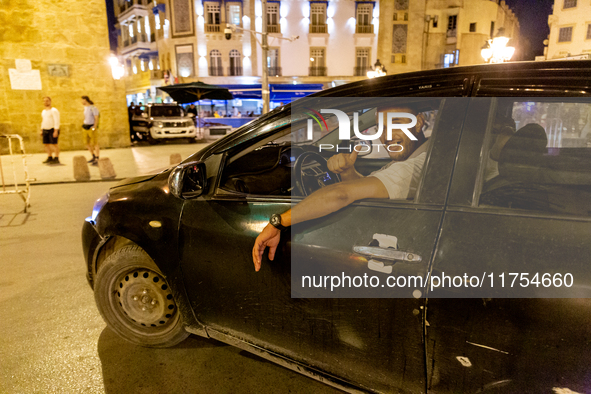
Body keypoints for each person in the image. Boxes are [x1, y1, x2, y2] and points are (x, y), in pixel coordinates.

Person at [252, 105, 427, 271]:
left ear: (419, 122)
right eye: (381, 127)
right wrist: (347, 171)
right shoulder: (414, 158)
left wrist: (278, 222)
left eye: (396, 123)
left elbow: (341, 194)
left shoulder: (412, 167)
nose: (387, 136)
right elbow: (367, 192)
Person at [40, 96, 61, 165]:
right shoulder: (43, 111)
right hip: (45, 129)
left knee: (54, 144)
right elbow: (43, 121)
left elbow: (56, 120)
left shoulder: (54, 110)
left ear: (50, 101)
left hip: (52, 129)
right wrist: (41, 129)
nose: (45, 102)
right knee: (46, 144)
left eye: (47, 101)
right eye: (44, 101)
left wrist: (56, 130)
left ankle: (57, 158)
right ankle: (49, 157)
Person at [81, 95, 100, 165]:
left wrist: (94, 127)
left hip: (91, 127)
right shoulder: (85, 108)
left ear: (85, 100)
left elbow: (96, 118)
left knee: (95, 143)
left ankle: (97, 157)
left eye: (82, 100)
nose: (81, 102)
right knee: (87, 143)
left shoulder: (93, 107)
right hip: (85, 127)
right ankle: (93, 156)